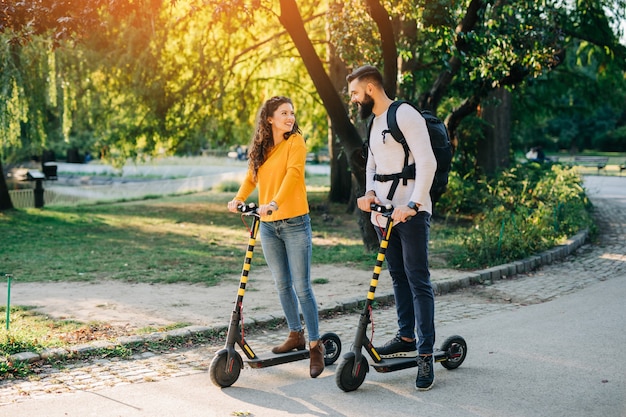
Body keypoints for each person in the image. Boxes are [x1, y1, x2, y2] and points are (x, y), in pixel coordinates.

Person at [347, 65, 438, 391]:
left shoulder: (405, 114)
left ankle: (425, 351)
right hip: (384, 214)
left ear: (370, 89)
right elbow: (372, 165)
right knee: (398, 276)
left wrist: (412, 205)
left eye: (355, 93)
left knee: (418, 279)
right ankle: (405, 335)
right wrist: (370, 194)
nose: (354, 100)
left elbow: (428, 162)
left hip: (411, 214)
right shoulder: (374, 123)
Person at [227, 96, 325, 379]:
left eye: (292, 113)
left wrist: (275, 202)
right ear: (269, 118)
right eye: (284, 113)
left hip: (294, 222)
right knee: (282, 284)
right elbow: (251, 178)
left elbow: (293, 176)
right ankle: (296, 334)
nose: (290, 117)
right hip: (268, 225)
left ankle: (316, 346)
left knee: (302, 286)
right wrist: (238, 198)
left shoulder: (296, 142)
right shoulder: (261, 147)